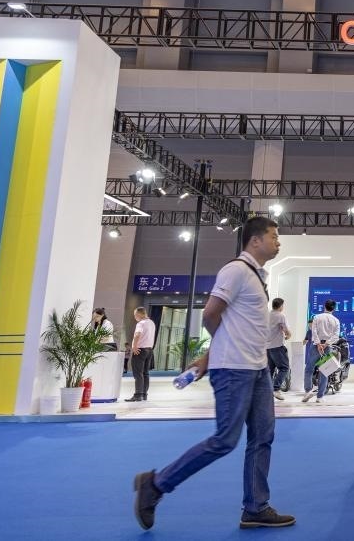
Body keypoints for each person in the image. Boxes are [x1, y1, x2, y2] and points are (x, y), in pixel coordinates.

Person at [133, 216, 295, 530]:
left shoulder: (256, 276)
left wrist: (208, 356)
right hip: (235, 370)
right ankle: (155, 485)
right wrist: (217, 355)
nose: (278, 242)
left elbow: (235, 327)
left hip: (257, 368)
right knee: (224, 440)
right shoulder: (236, 270)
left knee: (263, 436)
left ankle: (256, 507)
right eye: (274, 236)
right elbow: (210, 314)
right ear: (255, 240)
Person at [303, 300, 341, 404]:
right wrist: (326, 344)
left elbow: (314, 331)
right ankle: (320, 397)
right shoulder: (336, 320)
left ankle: (308, 391)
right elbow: (336, 336)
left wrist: (318, 343)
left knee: (309, 369)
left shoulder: (317, 317)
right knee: (324, 371)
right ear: (334, 308)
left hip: (315, 346)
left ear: (324, 306)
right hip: (327, 347)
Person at [125, 307, 155, 402]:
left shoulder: (141, 323)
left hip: (140, 350)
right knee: (145, 373)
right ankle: (144, 394)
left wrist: (134, 346)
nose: (135, 317)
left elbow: (137, 335)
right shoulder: (151, 323)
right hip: (149, 350)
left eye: (135, 315)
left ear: (139, 314)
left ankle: (138, 395)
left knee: (138, 373)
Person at [266, 298, 292, 401]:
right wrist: (288, 335)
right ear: (281, 306)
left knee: (270, 370)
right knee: (284, 368)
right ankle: (276, 389)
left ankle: (267, 390)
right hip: (277, 346)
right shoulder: (281, 316)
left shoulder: (267, 315)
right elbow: (286, 330)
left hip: (267, 347)